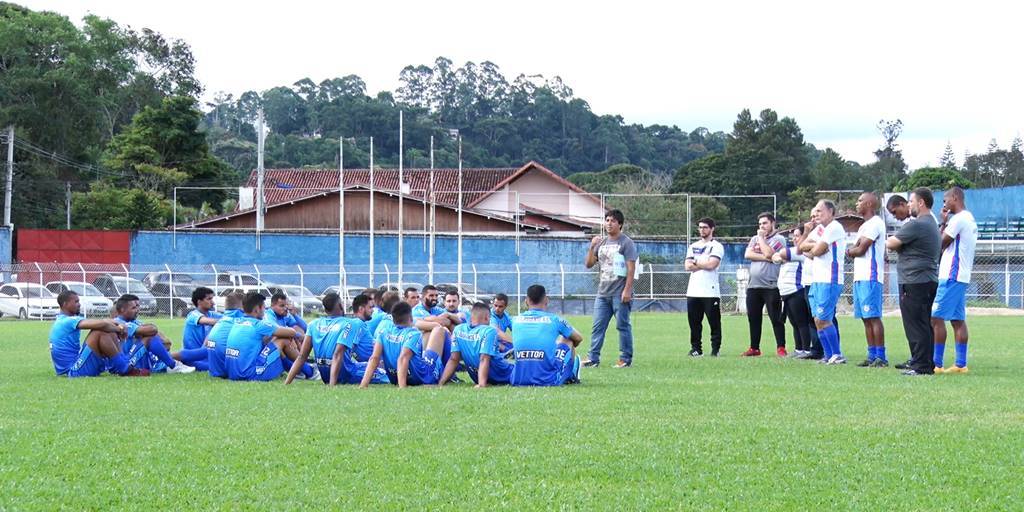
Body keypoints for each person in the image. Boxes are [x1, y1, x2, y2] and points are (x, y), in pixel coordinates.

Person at [886, 187, 941, 376]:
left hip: (915, 281)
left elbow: (891, 243)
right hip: (925, 280)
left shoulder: (917, 224)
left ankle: (922, 366)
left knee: (916, 324)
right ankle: (920, 361)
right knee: (922, 323)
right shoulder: (931, 222)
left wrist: (893, 242)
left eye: (911, 201)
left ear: (921, 203)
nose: (909, 205)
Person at [285, 293, 385, 385]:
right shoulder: (350, 324)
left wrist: (287, 382)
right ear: (340, 306)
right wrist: (332, 385)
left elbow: (302, 356)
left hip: (325, 375)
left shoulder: (313, 324)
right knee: (384, 373)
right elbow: (337, 354)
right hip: (345, 373)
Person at [582, 209, 637, 369]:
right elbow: (589, 264)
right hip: (603, 292)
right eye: (607, 220)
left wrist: (627, 290)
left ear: (620, 224)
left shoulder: (626, 243)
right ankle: (593, 358)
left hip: (619, 293)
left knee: (623, 326)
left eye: (612, 221)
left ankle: (625, 359)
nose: (609, 224)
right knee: (598, 326)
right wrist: (592, 247)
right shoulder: (602, 243)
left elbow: (631, 268)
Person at [932, 186, 977, 373]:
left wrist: (942, 223)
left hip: (952, 274)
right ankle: (960, 364)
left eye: (945, 200)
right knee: (957, 320)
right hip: (960, 275)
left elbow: (940, 243)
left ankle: (936, 363)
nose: (944, 204)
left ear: (955, 198)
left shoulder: (958, 219)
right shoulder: (969, 218)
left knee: (935, 317)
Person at [798, 199, 847, 365]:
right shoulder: (819, 230)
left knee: (825, 318)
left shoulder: (834, 227)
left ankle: (837, 354)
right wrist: (814, 245)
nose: (816, 214)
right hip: (817, 280)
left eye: (820, 211)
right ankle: (828, 355)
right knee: (818, 319)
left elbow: (817, 251)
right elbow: (802, 247)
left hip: (830, 279)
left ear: (831, 212)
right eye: (815, 211)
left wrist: (814, 248)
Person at [49, 289, 135, 377]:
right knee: (99, 331)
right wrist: (119, 329)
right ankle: (123, 367)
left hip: (73, 366)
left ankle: (121, 365)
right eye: (76, 302)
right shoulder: (68, 321)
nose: (79, 304)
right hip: (72, 370)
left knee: (106, 329)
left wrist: (118, 324)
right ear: (65, 304)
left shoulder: (62, 320)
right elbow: (100, 324)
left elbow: (102, 322)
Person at [225, 291, 309, 381]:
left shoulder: (237, 322)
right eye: (264, 307)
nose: (265, 311)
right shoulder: (258, 324)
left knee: (275, 339)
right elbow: (292, 332)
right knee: (283, 340)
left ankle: (295, 370)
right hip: (249, 374)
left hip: (232, 373)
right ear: (257, 309)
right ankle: (309, 371)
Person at [360, 302, 447, 388]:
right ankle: (451, 375)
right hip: (422, 377)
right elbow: (403, 358)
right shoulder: (413, 334)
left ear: (393, 319)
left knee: (424, 343)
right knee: (439, 330)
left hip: (395, 378)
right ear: (411, 317)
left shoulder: (383, 332)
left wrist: (363, 385)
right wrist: (402, 387)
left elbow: (374, 358)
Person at [510, 285, 583, 386]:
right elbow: (579, 338)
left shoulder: (515, 320)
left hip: (518, 380)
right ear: (546, 300)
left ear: (526, 301)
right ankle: (572, 374)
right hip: (548, 380)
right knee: (568, 339)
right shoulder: (555, 320)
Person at [846, 192, 888, 367]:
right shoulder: (864, 226)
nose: (857, 204)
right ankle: (871, 355)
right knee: (865, 317)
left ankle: (881, 356)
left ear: (870, 204)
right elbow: (855, 248)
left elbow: (860, 249)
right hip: (860, 277)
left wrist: (851, 250)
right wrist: (853, 250)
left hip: (870, 276)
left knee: (873, 316)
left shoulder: (875, 223)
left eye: (860, 201)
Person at [742, 212, 789, 357]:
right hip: (753, 286)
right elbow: (748, 255)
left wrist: (761, 240)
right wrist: (767, 257)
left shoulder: (779, 239)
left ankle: (781, 347)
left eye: (765, 223)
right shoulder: (754, 239)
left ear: (773, 223)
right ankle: (754, 348)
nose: (762, 226)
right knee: (754, 318)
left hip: (771, 286)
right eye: (760, 224)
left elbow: (770, 254)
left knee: (776, 318)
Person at [113, 294, 195, 374]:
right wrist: (151, 332)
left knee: (191, 359)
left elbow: (166, 343)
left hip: (143, 360)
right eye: (134, 308)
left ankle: (174, 364)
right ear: (122, 310)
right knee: (150, 338)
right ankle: (173, 365)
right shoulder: (119, 322)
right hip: (126, 362)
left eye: (138, 306)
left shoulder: (135, 322)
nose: (137, 310)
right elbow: (153, 330)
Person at [440, 302, 514, 387]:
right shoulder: (489, 331)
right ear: (487, 318)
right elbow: (484, 358)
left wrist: (441, 383)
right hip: (507, 375)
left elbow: (453, 359)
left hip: (478, 377)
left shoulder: (458, 329)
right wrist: (481, 385)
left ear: (471, 316)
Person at [771, 225, 814, 358]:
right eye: (793, 236)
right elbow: (775, 257)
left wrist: (779, 256)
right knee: (794, 323)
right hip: (785, 292)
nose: (795, 239)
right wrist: (778, 257)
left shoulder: (802, 253)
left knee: (802, 322)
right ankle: (798, 349)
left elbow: (780, 255)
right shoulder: (794, 250)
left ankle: (807, 350)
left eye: (797, 236)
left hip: (797, 291)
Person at [685, 217, 725, 357]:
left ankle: (715, 349)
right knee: (694, 323)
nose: (702, 230)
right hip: (693, 290)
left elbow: (712, 265)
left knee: (714, 322)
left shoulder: (717, 246)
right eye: (700, 227)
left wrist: (696, 261)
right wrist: (702, 262)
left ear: (712, 228)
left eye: (705, 227)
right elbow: (687, 266)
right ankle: (696, 349)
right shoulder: (693, 246)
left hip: (710, 291)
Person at [178, 286, 221, 371]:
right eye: (209, 299)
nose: (213, 302)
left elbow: (227, 319)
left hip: (206, 356)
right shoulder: (192, 315)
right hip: (193, 358)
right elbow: (207, 321)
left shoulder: (212, 314)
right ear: (199, 302)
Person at [206, 291, 245, 379]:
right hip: (229, 371)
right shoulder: (240, 321)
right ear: (242, 307)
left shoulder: (222, 320)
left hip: (215, 371)